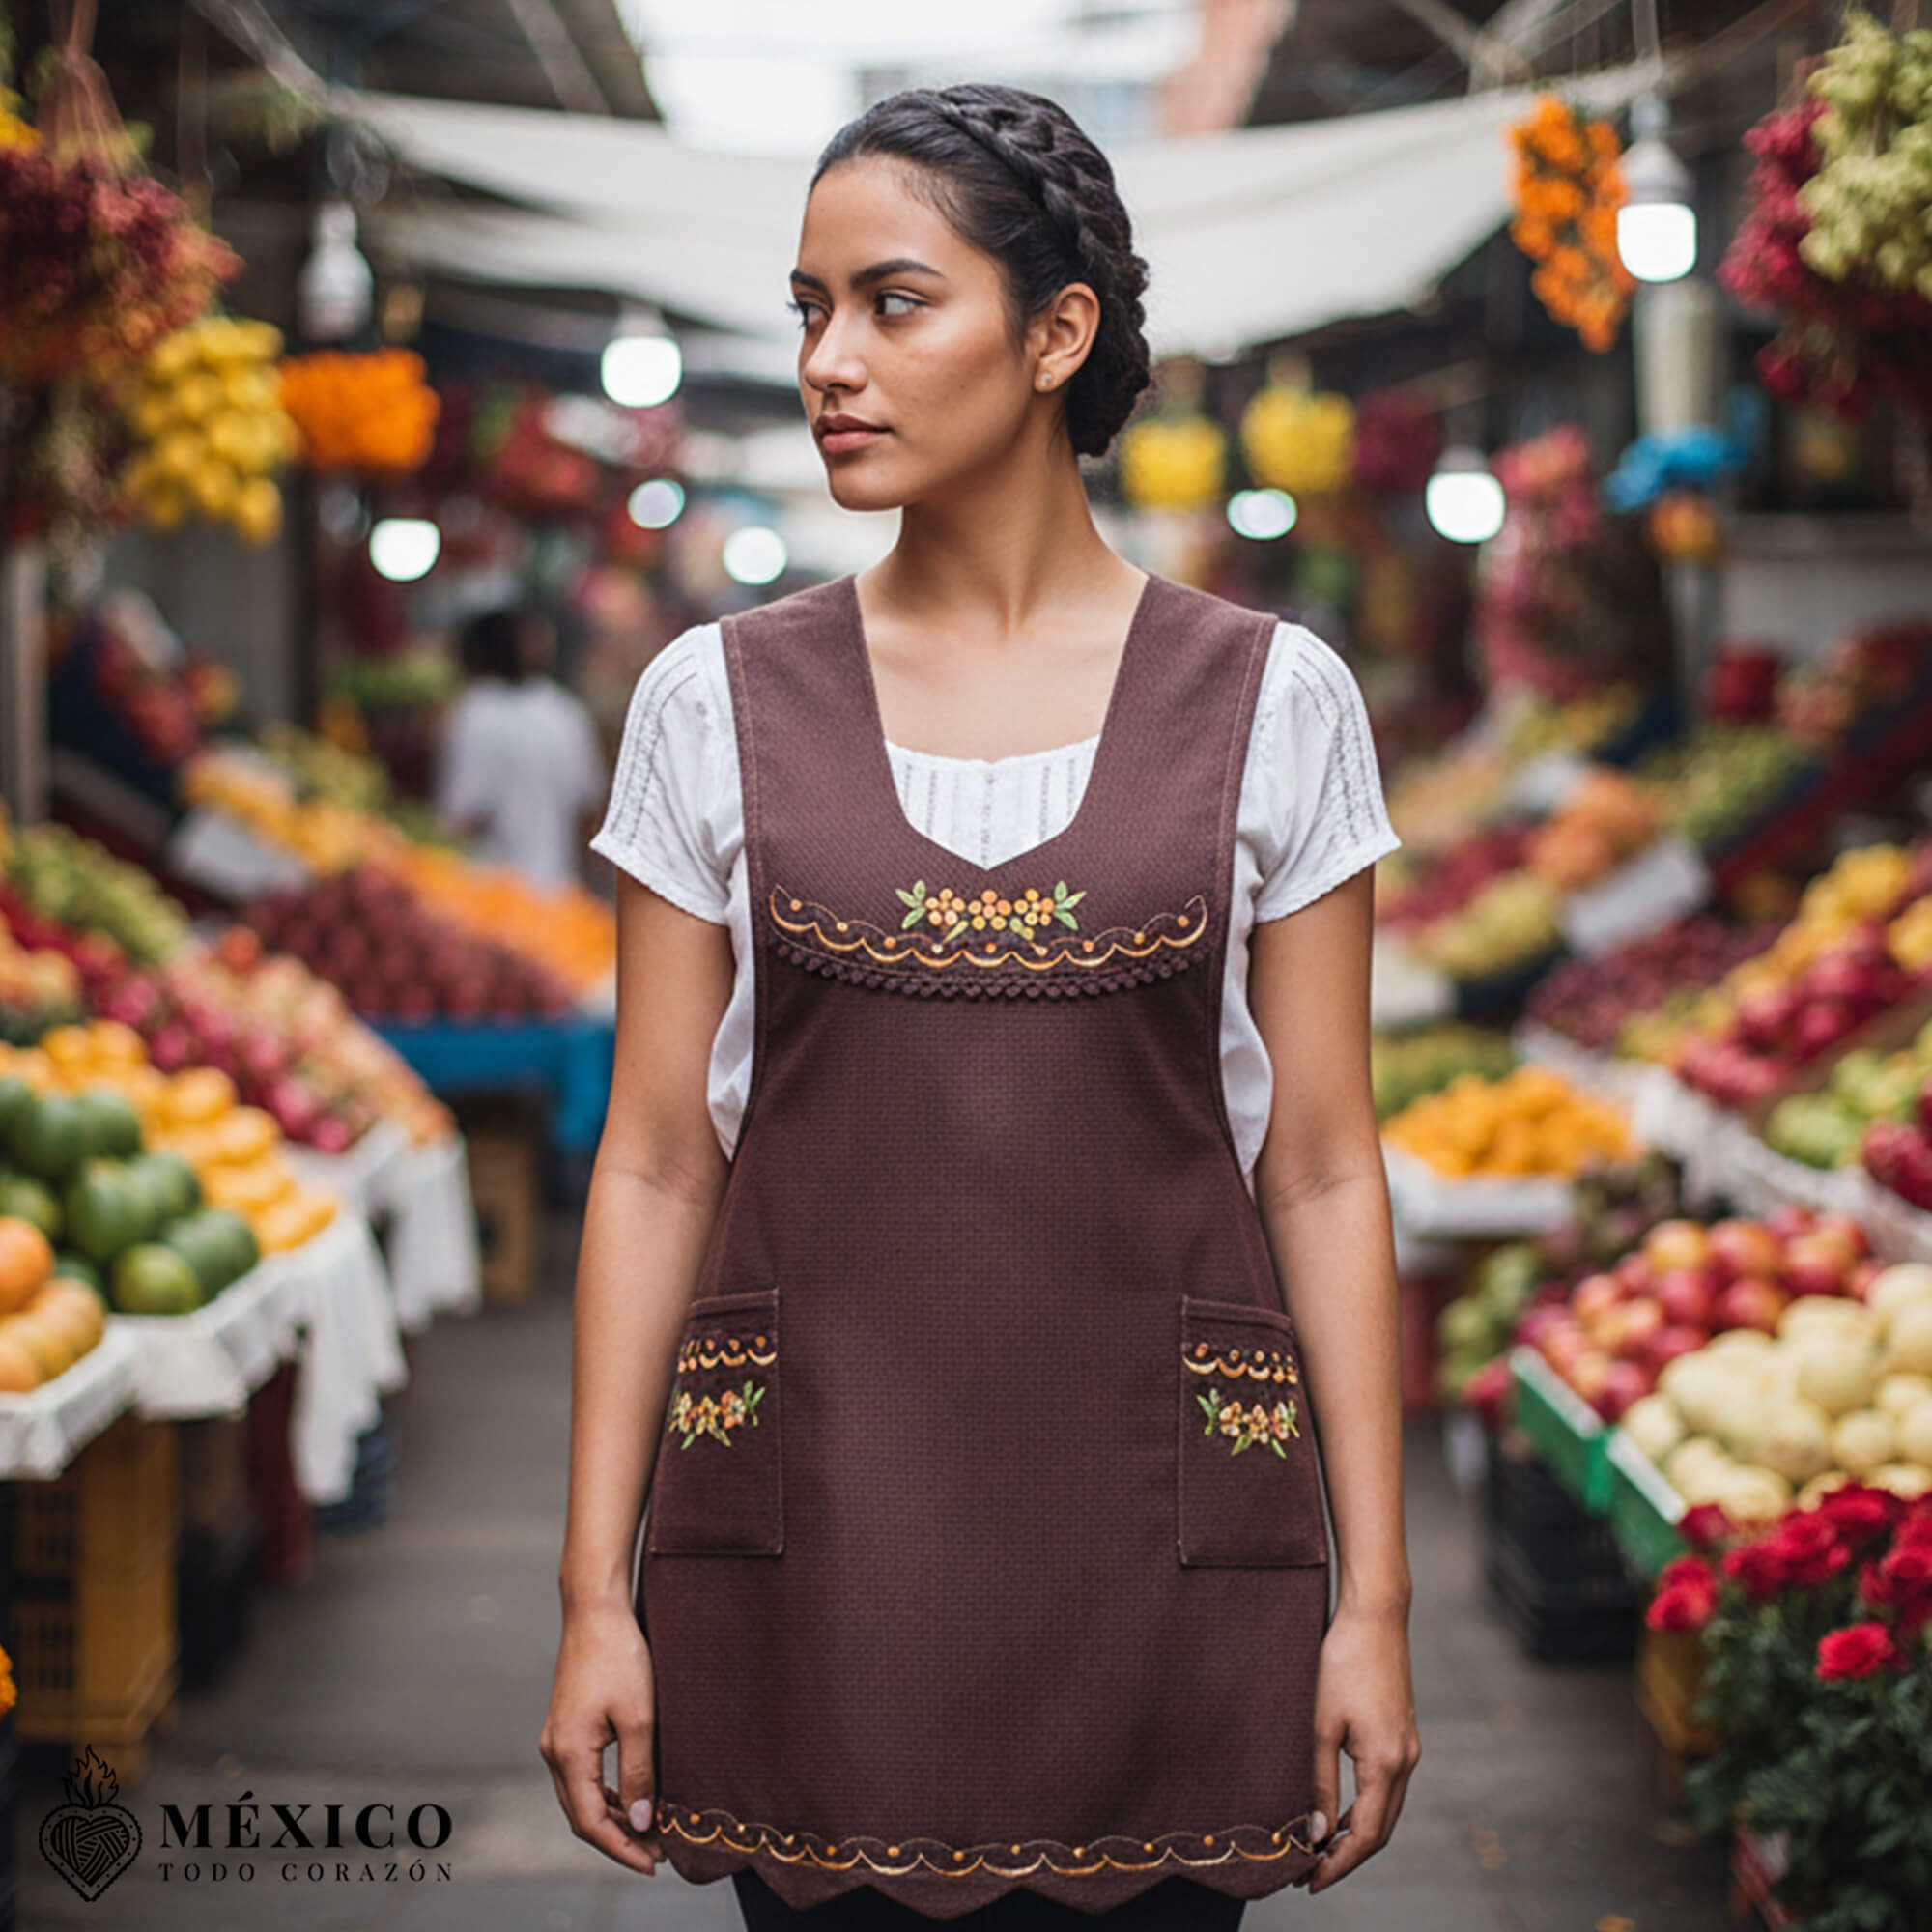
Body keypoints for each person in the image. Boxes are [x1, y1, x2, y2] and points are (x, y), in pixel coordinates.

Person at [541, 81, 1419, 1930]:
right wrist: (593, 1599)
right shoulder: (711, 703)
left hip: (1167, 1568)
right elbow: (648, 1167)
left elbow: (1330, 1171)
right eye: (807, 310)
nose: (828, 361)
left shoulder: (1280, 701)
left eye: (892, 301)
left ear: (1057, 333)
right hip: (815, 1556)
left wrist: (1374, 1609)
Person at [437, 606, 607, 891]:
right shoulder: (565, 711)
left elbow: (463, 817)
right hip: (560, 892)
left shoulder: (474, 712)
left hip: (488, 893)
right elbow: (589, 812)